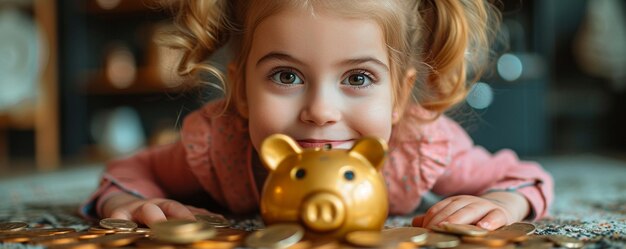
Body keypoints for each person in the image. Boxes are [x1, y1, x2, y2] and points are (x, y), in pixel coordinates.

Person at [81, 0, 553, 231]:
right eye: (286, 76)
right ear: (242, 89)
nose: (320, 112)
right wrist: (125, 204)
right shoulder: (220, 143)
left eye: (359, 78)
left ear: (399, 96)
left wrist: (506, 204)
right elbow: (127, 172)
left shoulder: (419, 146)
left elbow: (524, 177)